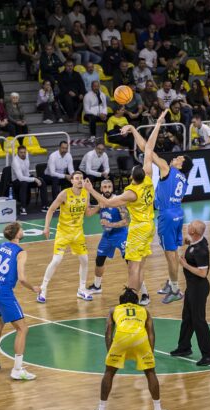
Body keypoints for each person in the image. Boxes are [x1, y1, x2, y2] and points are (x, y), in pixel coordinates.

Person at [85, 110, 168, 305]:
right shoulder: (148, 179)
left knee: (133, 267)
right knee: (141, 264)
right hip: (150, 226)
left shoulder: (131, 193)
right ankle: (140, 297)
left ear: (132, 177)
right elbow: (148, 148)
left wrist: (91, 189)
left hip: (138, 229)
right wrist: (157, 124)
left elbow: (106, 203)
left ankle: (131, 300)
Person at [93, 287, 168, 410]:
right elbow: (151, 333)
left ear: (121, 302)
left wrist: (110, 350)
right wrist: (150, 352)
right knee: (150, 372)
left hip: (121, 338)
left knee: (109, 372)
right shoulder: (144, 311)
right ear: (137, 302)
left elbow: (108, 332)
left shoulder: (114, 310)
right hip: (140, 338)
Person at [0, 222, 40, 380]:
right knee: (22, 329)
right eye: (21, 229)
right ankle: (17, 369)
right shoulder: (20, 252)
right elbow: (22, 279)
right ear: (17, 234)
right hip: (3, 292)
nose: (23, 230)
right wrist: (33, 288)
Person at [40, 171, 99, 303]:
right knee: (56, 260)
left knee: (84, 260)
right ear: (71, 181)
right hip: (63, 232)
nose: (79, 180)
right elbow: (51, 210)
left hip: (78, 233)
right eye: (77, 178)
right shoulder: (64, 194)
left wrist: (100, 206)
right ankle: (42, 289)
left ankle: (81, 289)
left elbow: (88, 213)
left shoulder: (86, 193)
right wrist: (46, 227)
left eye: (81, 178)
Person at [170, 220, 210, 366]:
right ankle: (184, 347)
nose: (187, 226)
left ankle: (209, 355)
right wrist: (187, 242)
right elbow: (194, 242)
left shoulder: (200, 250)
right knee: (187, 317)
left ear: (193, 232)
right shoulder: (197, 242)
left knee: (199, 321)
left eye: (190, 226)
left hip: (199, 288)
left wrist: (185, 265)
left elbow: (203, 273)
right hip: (191, 287)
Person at [152, 148, 192, 304]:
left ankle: (175, 290)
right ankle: (171, 283)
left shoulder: (166, 170)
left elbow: (150, 153)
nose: (175, 158)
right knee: (174, 252)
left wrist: (134, 132)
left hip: (167, 216)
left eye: (178, 158)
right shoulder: (184, 179)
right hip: (178, 214)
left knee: (170, 256)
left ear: (181, 166)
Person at [86, 180, 128, 294]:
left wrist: (111, 224)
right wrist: (88, 193)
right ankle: (97, 286)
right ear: (101, 189)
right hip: (107, 235)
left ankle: (144, 293)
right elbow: (88, 213)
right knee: (99, 260)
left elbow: (126, 221)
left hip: (121, 234)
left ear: (112, 188)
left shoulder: (118, 201)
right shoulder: (101, 201)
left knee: (131, 262)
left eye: (109, 187)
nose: (107, 189)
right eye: (105, 187)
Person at [10, 146, 44, 216]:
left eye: (24, 152)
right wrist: (34, 179)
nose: (23, 154)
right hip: (16, 181)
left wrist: (35, 178)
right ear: (17, 153)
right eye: (21, 152)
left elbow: (26, 173)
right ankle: (23, 208)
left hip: (25, 177)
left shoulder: (26, 157)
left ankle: (45, 205)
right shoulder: (15, 161)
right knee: (24, 183)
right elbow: (20, 178)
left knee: (41, 181)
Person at [44, 141, 74, 208]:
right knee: (55, 179)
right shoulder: (53, 156)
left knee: (73, 179)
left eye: (66, 148)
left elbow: (71, 169)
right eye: (63, 148)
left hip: (62, 176)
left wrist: (73, 175)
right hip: (49, 176)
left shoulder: (68, 155)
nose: (64, 150)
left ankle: (69, 201)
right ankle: (56, 203)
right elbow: (52, 173)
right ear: (59, 148)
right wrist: (65, 176)